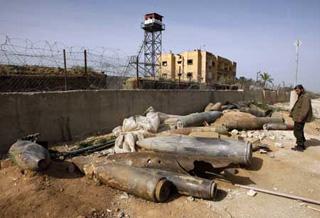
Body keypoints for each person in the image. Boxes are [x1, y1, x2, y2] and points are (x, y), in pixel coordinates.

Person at [290, 84, 313, 151]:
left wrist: (301, 118)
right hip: (298, 117)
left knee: (296, 132)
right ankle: (302, 142)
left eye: (297, 91)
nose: (296, 92)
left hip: (300, 118)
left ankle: (300, 146)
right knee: (299, 131)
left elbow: (305, 108)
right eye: (296, 91)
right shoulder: (301, 96)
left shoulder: (305, 97)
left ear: (302, 89)